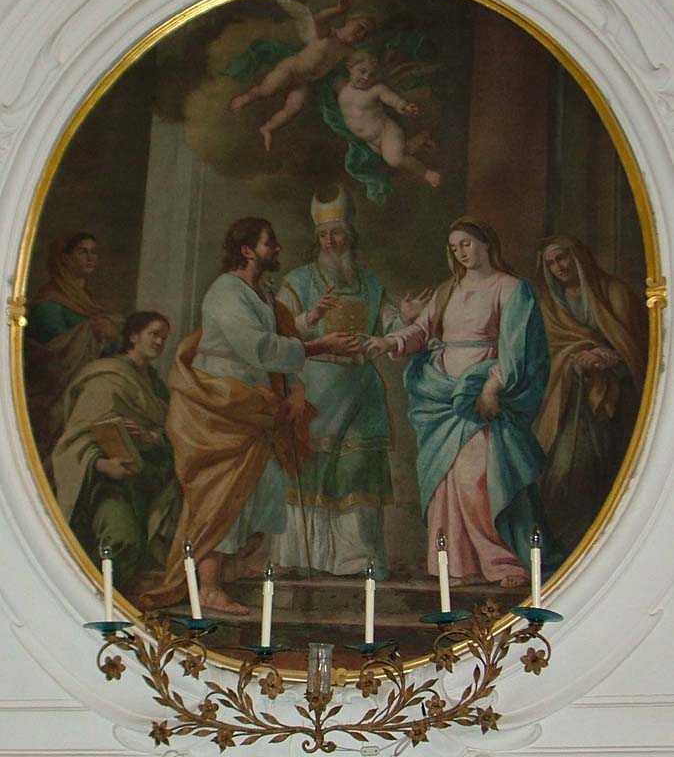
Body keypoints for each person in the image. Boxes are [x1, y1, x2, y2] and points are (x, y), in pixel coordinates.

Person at [141, 217, 361, 615]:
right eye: (268, 243)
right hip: (219, 405)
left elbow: (282, 342)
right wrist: (319, 347)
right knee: (224, 495)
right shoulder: (225, 292)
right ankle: (209, 586)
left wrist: (296, 388)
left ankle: (232, 566)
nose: (276, 249)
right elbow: (259, 348)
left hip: (255, 406)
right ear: (247, 251)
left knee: (268, 488)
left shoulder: (264, 295)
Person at [365, 216, 555, 588]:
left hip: (478, 393)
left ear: (486, 243)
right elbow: (421, 330)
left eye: (466, 244)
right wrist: (390, 342)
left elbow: (516, 347)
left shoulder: (510, 288)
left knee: (476, 479)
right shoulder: (448, 289)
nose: (460, 253)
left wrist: (491, 387)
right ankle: (454, 563)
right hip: (440, 394)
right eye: (454, 247)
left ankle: (501, 561)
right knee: (443, 481)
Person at [271, 185, 431, 579]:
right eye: (323, 235)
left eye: (336, 233)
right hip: (315, 390)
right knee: (312, 472)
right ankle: (305, 559)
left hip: (361, 392)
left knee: (358, 470)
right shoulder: (297, 281)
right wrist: (311, 317)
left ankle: (356, 559)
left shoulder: (370, 283)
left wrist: (406, 318)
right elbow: (278, 335)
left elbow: (388, 325)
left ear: (350, 235)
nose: (329, 241)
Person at [52, 312, 181, 590]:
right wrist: (103, 465)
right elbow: (74, 440)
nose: (160, 342)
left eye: (164, 337)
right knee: (122, 541)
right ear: (133, 336)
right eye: (154, 334)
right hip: (108, 484)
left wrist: (153, 437)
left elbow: (172, 431)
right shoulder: (106, 377)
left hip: (150, 482)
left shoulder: (157, 385)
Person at [535, 235, 647, 552]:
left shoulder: (615, 293)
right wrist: (574, 360)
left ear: (578, 257)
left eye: (562, 258)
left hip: (617, 401)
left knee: (611, 472)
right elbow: (545, 354)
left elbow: (639, 350)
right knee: (563, 471)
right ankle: (569, 548)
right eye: (551, 264)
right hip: (567, 401)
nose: (558, 268)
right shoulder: (550, 306)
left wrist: (609, 358)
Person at [25, 232, 120, 483]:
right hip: (55, 398)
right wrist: (92, 332)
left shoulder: (87, 300)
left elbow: (105, 349)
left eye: (94, 252)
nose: (90, 258)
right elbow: (51, 356)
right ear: (65, 258)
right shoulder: (49, 304)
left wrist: (108, 337)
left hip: (85, 393)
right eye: (82, 252)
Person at [229, 0, 375, 151]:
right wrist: (338, 10)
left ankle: (268, 128)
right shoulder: (328, 34)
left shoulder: (349, 51)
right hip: (290, 70)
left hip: (304, 82)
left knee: (293, 109)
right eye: (360, 27)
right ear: (350, 21)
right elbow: (319, 19)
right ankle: (244, 99)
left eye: (365, 34)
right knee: (267, 90)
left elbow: (361, 63)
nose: (361, 34)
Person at [336, 51, 440, 188]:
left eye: (372, 75)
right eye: (362, 71)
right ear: (350, 67)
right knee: (402, 151)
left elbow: (393, 99)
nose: (366, 77)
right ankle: (422, 137)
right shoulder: (342, 89)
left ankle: (426, 173)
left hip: (386, 133)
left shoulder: (376, 89)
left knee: (395, 160)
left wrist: (404, 106)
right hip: (370, 142)